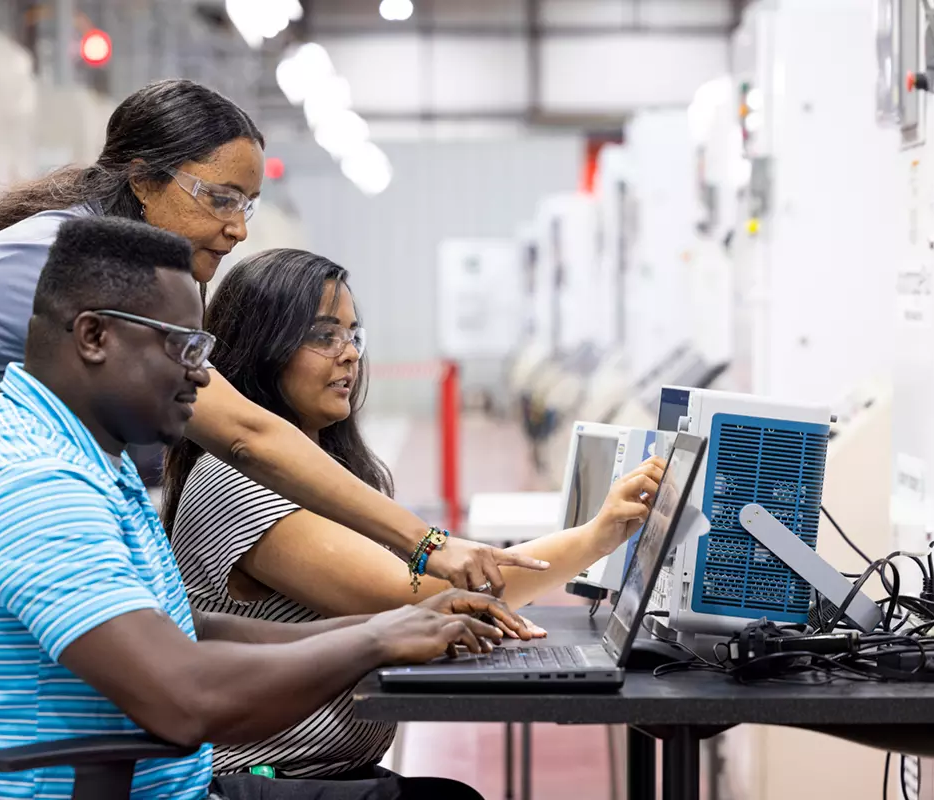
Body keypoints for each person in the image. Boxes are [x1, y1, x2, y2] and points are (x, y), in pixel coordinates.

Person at [0, 79, 543, 732]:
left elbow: (183, 622)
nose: (237, 228)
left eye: (249, 204)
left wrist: (378, 629)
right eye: (219, 198)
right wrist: (425, 544)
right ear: (142, 180)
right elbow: (243, 433)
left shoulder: (100, 306)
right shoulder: (63, 268)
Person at [0, 216, 513, 800]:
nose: (203, 378)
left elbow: (181, 626)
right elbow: (186, 699)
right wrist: (374, 643)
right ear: (95, 337)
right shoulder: (33, 484)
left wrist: (386, 625)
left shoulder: (87, 458)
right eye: (184, 348)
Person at [163, 249, 664, 778]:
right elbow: (426, 601)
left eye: (354, 335)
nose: (349, 354)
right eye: (323, 335)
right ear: (262, 345)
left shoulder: (332, 472)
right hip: (256, 778)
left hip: (323, 768)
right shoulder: (236, 483)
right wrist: (595, 537)